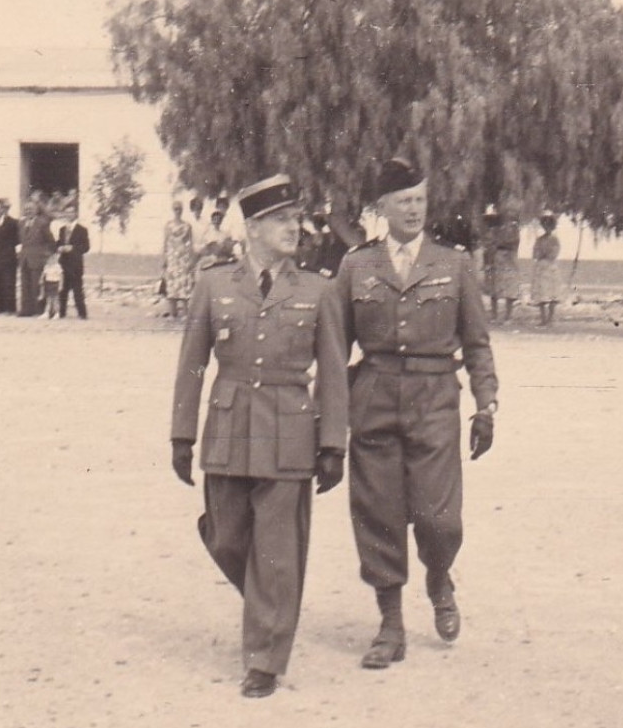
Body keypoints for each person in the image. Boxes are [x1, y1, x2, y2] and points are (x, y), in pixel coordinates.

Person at [169, 173, 349, 699]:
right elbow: (192, 366)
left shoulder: (317, 289)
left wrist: (333, 442)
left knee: (275, 549)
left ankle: (265, 658)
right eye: (281, 220)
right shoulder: (213, 284)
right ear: (253, 228)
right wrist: (181, 436)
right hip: (227, 427)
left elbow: (334, 371)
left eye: (296, 218)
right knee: (225, 537)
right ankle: (272, 605)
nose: (295, 228)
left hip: (289, 431)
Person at [335, 157, 499, 670]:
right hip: (375, 398)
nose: (413, 209)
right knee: (378, 515)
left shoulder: (453, 265)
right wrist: (328, 417)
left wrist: (486, 403)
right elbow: (334, 346)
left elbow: (476, 341)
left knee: (439, 517)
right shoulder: (356, 266)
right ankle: (390, 624)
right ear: (382, 208)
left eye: (420, 200)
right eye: (403, 201)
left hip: (434, 400)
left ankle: (438, 576)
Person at [481, 204, 522, 321]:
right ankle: (494, 315)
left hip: (508, 260)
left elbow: (513, 243)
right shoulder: (490, 233)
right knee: (494, 289)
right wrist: (487, 261)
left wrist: (499, 245)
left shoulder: (512, 229)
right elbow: (487, 248)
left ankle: (507, 316)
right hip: (495, 261)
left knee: (509, 288)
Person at [18, 197, 55, 317]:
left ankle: (38, 309)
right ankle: (25, 310)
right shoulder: (21, 223)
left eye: (31, 209)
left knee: (37, 286)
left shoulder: (42, 223)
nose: (28, 211)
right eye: (26, 209)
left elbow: (51, 241)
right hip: (24, 258)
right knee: (24, 285)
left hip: (38, 258)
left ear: (36, 210)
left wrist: (47, 255)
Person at [162, 199, 198, 320]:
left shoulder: (187, 226)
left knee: (184, 284)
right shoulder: (168, 225)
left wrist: (192, 259)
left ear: (182, 210)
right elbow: (165, 242)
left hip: (183, 258)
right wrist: (164, 258)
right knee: (172, 285)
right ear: (173, 210)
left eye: (179, 209)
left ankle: (185, 313)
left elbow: (190, 243)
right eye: (175, 209)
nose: (178, 211)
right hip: (172, 257)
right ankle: (172, 313)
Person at [55, 207, 90, 319]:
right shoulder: (62, 229)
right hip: (63, 263)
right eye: (67, 213)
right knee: (63, 289)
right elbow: (58, 243)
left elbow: (86, 247)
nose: (69, 215)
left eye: (71, 213)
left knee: (77, 289)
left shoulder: (82, 230)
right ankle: (62, 312)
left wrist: (73, 248)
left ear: (75, 214)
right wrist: (59, 247)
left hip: (75, 264)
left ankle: (82, 313)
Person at [530, 212, 562, 325]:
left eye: (549, 225)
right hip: (541, 268)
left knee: (552, 294)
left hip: (551, 267)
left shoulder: (555, 240)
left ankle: (550, 318)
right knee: (542, 295)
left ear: (552, 227)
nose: (547, 227)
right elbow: (535, 254)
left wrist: (544, 253)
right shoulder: (539, 239)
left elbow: (553, 254)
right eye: (545, 225)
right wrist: (542, 253)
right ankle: (543, 319)